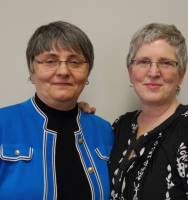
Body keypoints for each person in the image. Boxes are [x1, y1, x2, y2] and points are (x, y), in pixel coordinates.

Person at [80, 23, 188, 199]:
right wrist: (77, 115)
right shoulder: (122, 126)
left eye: (165, 63)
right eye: (144, 62)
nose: (153, 72)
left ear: (181, 74)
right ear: (130, 72)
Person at [0, 21, 114, 200]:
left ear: (87, 72)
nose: (63, 71)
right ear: (32, 69)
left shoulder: (105, 131)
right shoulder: (3, 124)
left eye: (75, 61)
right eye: (50, 61)